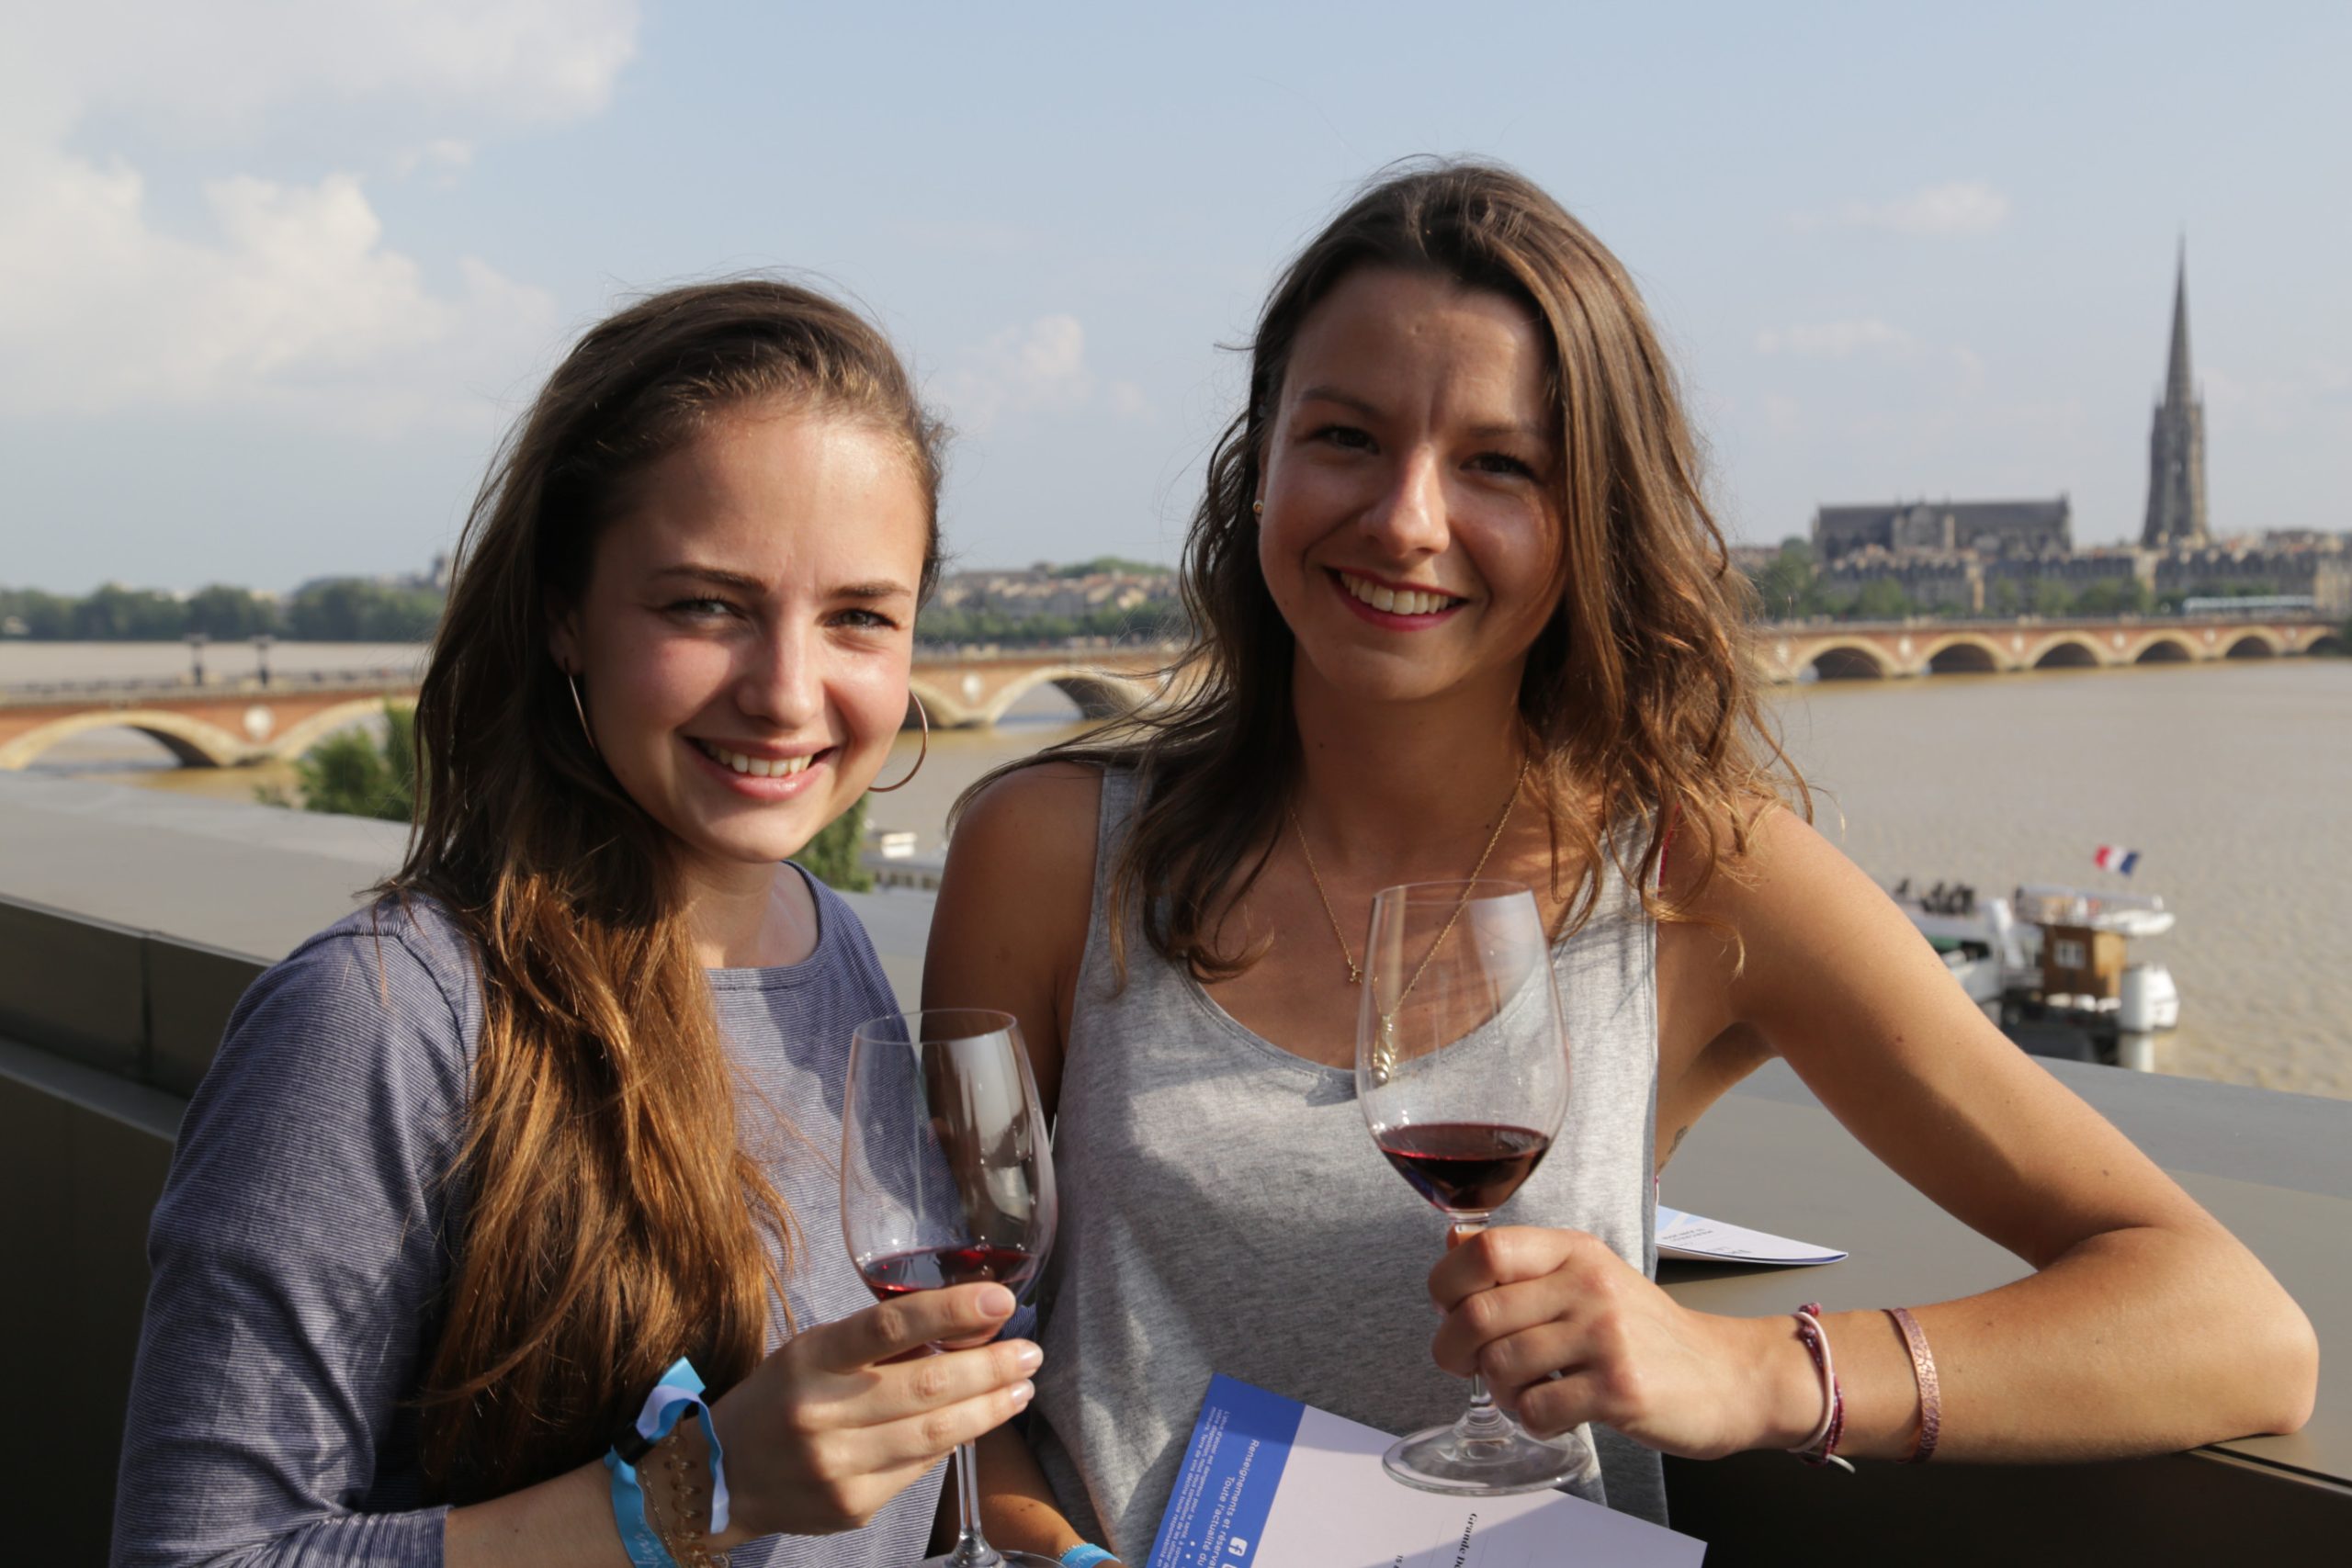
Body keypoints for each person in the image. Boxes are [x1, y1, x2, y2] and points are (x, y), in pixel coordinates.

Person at [922, 164, 2317, 1562]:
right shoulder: (1052, 857)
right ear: (1263, 458)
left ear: (1595, 516)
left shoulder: (1698, 881)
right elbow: (937, 1333)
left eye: (1500, 465)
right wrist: (1047, 1546)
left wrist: (1758, 1373)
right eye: (1345, 436)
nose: (1406, 519)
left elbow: (2237, 1329)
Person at [114, 281, 1043, 1567]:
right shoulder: (385, 1023)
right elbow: (194, 1556)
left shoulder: (833, 951)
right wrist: (691, 1495)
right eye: (706, 604)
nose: (787, 694)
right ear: (565, 610)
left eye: (859, 618)